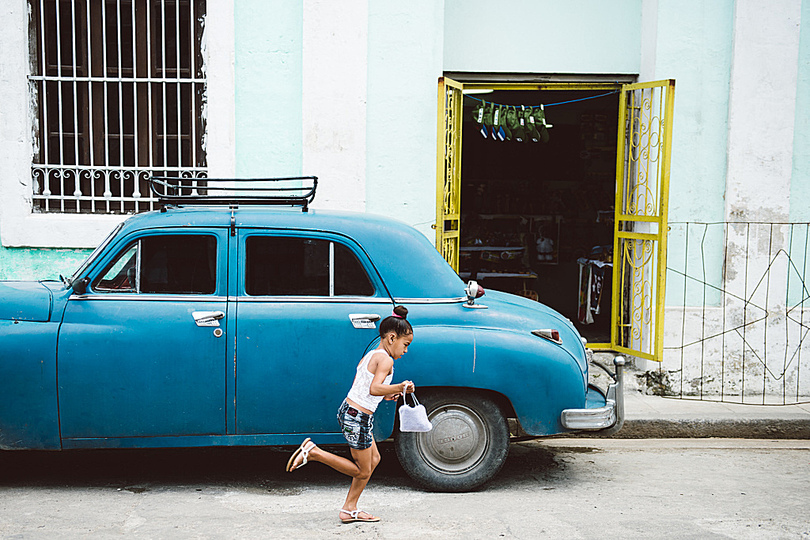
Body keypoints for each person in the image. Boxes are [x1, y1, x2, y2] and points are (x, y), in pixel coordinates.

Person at [286, 305, 416, 524]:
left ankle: (349, 509)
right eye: (405, 344)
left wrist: (389, 395)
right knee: (362, 470)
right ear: (392, 337)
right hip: (357, 417)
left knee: (374, 459)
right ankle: (314, 452)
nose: (405, 350)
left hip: (352, 412)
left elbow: (369, 389)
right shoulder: (386, 359)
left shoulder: (373, 354)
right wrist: (400, 387)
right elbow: (375, 388)